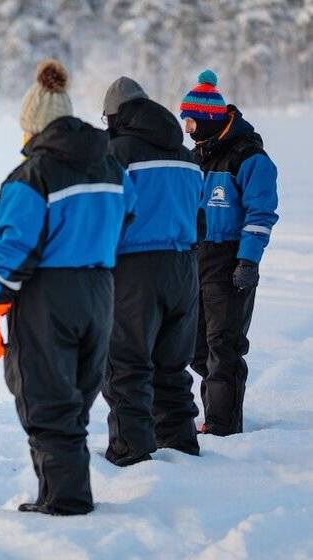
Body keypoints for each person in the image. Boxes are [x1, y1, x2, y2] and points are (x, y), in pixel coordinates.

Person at [0, 60, 135, 515]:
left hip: (48, 296)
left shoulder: (32, 177)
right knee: (76, 399)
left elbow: (14, 249)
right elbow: (130, 216)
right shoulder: (111, 166)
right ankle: (59, 492)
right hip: (101, 291)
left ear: (35, 127)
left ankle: (65, 503)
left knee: (45, 399)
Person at [99, 77, 204, 466]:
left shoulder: (116, 153)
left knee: (126, 367)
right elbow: (202, 221)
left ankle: (132, 454)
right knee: (172, 367)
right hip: (184, 269)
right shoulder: (187, 157)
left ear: (116, 116)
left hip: (133, 273)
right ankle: (181, 447)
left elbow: (103, 217)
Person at [179, 70, 279, 436]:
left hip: (231, 262)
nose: (186, 129)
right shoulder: (196, 158)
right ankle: (219, 409)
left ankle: (222, 427)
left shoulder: (249, 158)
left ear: (206, 119)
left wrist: (248, 260)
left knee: (224, 345)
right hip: (196, 260)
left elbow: (261, 214)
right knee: (195, 347)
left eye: (189, 121)